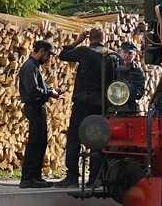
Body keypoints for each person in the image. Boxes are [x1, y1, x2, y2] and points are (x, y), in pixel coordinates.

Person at [56, 27, 118, 187]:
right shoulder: (111, 56)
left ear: (89, 38)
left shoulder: (84, 52)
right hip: (101, 104)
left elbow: (63, 55)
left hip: (83, 101)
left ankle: (72, 176)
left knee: (74, 136)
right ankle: (94, 177)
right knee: (98, 138)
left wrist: (78, 40)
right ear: (104, 39)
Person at [18, 40, 61, 189]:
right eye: (49, 55)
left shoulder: (33, 67)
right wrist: (50, 93)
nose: (49, 59)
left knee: (40, 142)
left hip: (36, 107)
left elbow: (38, 87)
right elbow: (33, 90)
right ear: (42, 51)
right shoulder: (30, 68)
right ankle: (28, 178)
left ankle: (35, 176)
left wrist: (51, 89)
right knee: (35, 143)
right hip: (34, 106)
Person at [114, 41, 146, 114]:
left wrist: (128, 92)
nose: (127, 56)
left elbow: (140, 91)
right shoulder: (113, 66)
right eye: (125, 52)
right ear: (120, 53)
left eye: (130, 53)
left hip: (129, 106)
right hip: (112, 104)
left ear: (134, 55)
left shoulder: (138, 71)